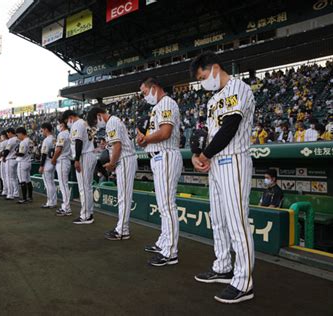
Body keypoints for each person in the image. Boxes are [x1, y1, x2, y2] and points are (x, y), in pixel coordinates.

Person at [190, 51, 255, 304]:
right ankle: (223, 266)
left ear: (215, 68)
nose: (203, 81)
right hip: (216, 163)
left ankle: (244, 281)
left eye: (203, 76)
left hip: (235, 159)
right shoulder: (212, 100)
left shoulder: (239, 87)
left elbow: (230, 126)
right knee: (217, 219)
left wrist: (205, 154)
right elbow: (208, 133)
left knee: (237, 222)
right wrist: (198, 155)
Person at [136, 77, 182, 267]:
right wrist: (144, 139)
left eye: (145, 92)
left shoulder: (166, 103)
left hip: (166, 155)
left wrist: (145, 139)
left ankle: (170, 252)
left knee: (167, 205)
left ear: (154, 88)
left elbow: (165, 133)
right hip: (159, 156)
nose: (144, 96)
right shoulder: (159, 106)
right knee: (164, 206)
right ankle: (164, 243)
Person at [88, 105, 137, 240]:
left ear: (99, 115)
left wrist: (112, 164)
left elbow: (117, 146)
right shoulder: (112, 122)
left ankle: (122, 230)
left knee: (124, 197)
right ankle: (122, 228)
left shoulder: (112, 122)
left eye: (95, 121)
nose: (96, 124)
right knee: (123, 196)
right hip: (124, 160)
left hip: (125, 159)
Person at [62, 110, 97, 224]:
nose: (67, 123)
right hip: (90, 153)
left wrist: (76, 159)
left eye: (67, 120)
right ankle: (89, 213)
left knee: (84, 187)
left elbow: (78, 142)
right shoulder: (85, 123)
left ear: (71, 117)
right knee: (88, 186)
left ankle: (86, 216)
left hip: (84, 156)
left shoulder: (77, 124)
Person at [51, 119, 72, 216]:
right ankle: (66, 206)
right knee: (64, 185)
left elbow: (59, 149)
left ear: (63, 124)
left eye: (59, 123)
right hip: (66, 159)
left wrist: (54, 159)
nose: (58, 125)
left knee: (63, 185)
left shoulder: (62, 134)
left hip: (62, 160)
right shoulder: (68, 133)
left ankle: (66, 208)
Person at [39, 123, 57, 208]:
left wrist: (41, 166)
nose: (42, 132)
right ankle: (53, 201)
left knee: (48, 184)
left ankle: (50, 202)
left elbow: (44, 154)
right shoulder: (54, 138)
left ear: (46, 129)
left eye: (42, 130)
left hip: (47, 163)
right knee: (52, 183)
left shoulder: (46, 140)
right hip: (53, 162)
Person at [16, 127, 34, 204]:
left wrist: (15, 153)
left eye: (18, 135)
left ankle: (24, 198)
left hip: (22, 162)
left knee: (22, 180)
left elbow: (21, 154)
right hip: (29, 161)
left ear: (21, 133)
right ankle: (30, 197)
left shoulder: (23, 142)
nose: (18, 136)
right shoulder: (30, 141)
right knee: (28, 180)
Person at [3, 128, 20, 200]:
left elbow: (7, 150)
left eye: (7, 134)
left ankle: (10, 194)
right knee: (15, 177)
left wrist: (4, 156)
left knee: (9, 177)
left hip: (10, 159)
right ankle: (16, 193)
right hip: (17, 159)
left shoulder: (11, 140)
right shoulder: (19, 139)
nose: (7, 135)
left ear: (10, 132)